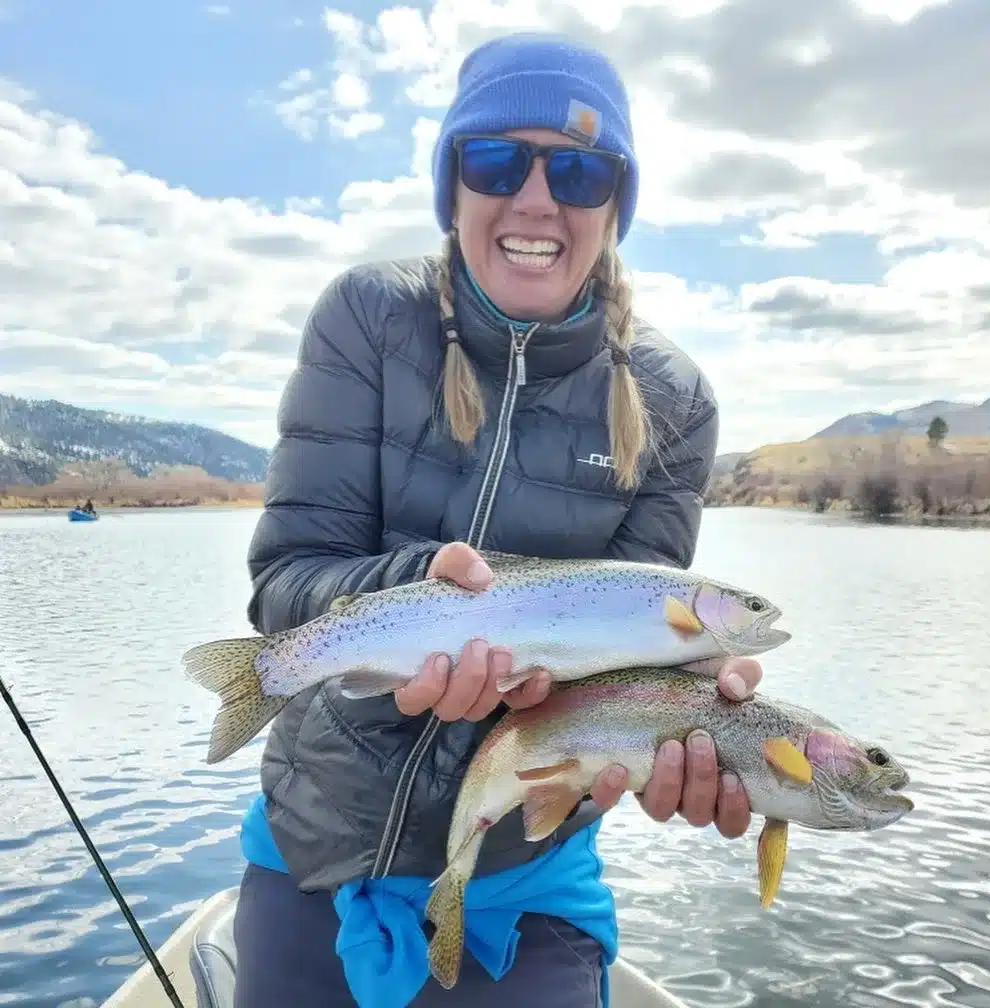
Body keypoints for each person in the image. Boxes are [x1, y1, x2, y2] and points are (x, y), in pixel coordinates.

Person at [232, 30, 765, 1008]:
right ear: (454, 186)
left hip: (522, 881)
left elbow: (633, 666)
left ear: (616, 204)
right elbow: (288, 584)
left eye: (578, 169)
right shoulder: (366, 319)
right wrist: (413, 597)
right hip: (311, 855)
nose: (535, 197)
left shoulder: (675, 400)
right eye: (495, 160)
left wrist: (676, 725)